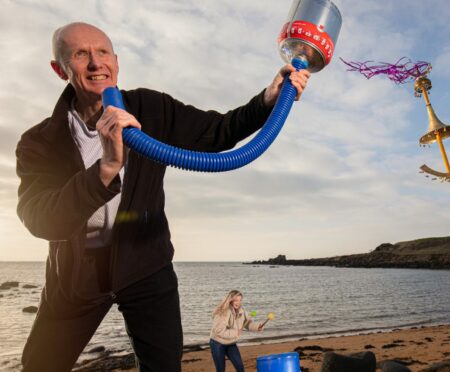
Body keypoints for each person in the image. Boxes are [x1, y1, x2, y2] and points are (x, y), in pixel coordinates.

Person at [15, 22, 310, 372]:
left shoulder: (151, 108)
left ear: (117, 62)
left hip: (145, 261)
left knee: (164, 366)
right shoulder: (39, 142)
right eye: (81, 55)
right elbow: (41, 220)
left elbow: (219, 132)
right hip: (77, 276)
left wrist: (268, 99)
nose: (96, 64)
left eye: (103, 53)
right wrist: (106, 168)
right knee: (39, 365)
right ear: (59, 69)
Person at [209, 290, 264, 372]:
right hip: (218, 343)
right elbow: (219, 331)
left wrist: (257, 327)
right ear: (230, 300)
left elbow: (247, 323)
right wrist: (235, 332)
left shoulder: (242, 311)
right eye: (236, 300)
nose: (238, 303)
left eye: (240, 300)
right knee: (220, 370)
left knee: (240, 368)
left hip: (231, 342)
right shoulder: (224, 311)